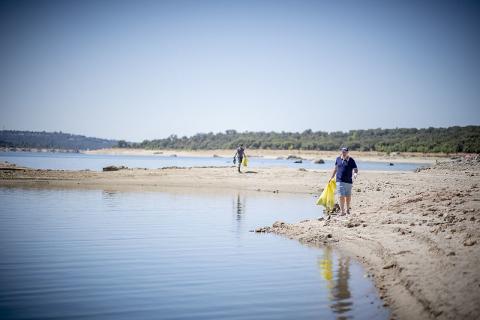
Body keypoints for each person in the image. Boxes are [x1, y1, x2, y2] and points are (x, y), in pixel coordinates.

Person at [329, 147, 358, 216]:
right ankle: (342, 211)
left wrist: (355, 174)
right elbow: (335, 169)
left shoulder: (351, 160)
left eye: (345, 151)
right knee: (341, 196)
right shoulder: (338, 159)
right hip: (339, 180)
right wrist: (331, 177)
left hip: (349, 181)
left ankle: (347, 209)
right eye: (342, 151)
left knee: (348, 196)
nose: (343, 152)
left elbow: (355, 169)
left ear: (347, 152)